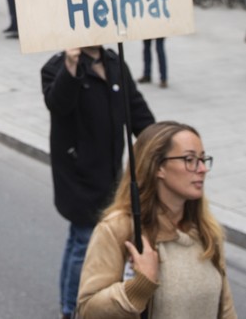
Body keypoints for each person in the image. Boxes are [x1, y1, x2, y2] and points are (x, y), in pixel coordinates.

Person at [77, 121, 237, 318]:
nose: (202, 169)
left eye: (203, 159)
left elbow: (225, 309)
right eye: (190, 159)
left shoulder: (207, 230)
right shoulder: (119, 229)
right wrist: (138, 287)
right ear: (157, 167)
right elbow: (88, 311)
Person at [42, 45, 155, 319]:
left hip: (110, 175)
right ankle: (71, 309)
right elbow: (58, 104)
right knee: (83, 241)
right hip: (78, 177)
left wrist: (159, 143)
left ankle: (68, 303)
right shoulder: (56, 67)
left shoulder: (115, 62)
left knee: (77, 240)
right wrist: (71, 69)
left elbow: (137, 110)